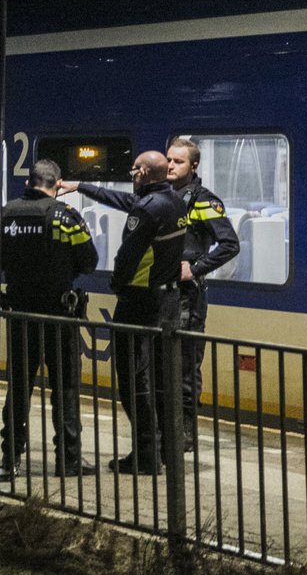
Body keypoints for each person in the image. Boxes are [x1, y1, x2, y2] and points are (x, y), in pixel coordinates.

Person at [73, 151, 186, 474]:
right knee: (163, 380)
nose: (131, 175)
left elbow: (126, 257)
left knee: (134, 380)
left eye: (134, 171)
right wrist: (83, 186)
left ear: (144, 174)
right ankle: (168, 451)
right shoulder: (176, 202)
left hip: (140, 303)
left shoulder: (147, 211)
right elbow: (126, 200)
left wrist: (117, 286)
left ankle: (146, 454)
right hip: (169, 301)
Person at [0, 159, 99, 478]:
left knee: (19, 385)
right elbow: (89, 262)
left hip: (20, 312)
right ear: (57, 185)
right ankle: (67, 459)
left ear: (29, 183)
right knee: (65, 387)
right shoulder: (65, 216)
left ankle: (10, 455)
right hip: (59, 315)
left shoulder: (4, 213)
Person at [161, 137, 241, 450]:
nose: (170, 165)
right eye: (168, 159)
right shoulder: (161, 196)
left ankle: (185, 434)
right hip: (161, 296)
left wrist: (195, 268)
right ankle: (165, 430)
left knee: (184, 369)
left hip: (186, 298)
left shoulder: (204, 201)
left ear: (193, 166)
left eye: (178, 161)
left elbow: (230, 244)